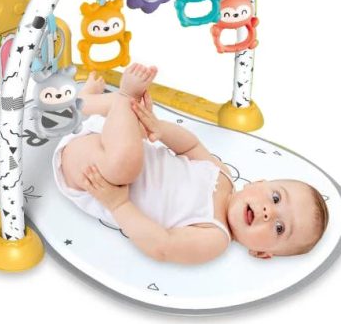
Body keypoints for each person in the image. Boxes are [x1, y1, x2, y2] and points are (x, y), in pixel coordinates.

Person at [52, 63, 329, 264]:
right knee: (137, 121)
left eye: (280, 228)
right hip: (112, 138)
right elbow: (190, 146)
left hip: (93, 176)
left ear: (261, 253)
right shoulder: (223, 177)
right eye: (276, 197)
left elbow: (163, 246)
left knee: (127, 165)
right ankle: (86, 103)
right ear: (258, 183)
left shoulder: (214, 238)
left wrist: (118, 205)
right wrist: (158, 128)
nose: (269, 213)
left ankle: (118, 100)